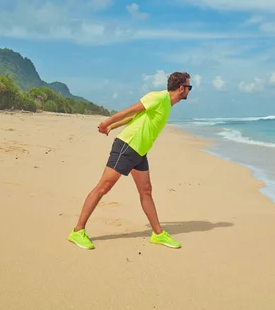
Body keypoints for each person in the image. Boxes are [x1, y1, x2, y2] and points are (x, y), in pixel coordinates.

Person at [68, 72, 192, 250]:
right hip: (127, 146)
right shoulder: (158, 97)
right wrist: (106, 122)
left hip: (139, 152)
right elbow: (131, 110)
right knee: (103, 186)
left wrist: (112, 126)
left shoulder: (167, 104)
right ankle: (77, 231)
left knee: (146, 190)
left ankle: (157, 234)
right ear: (181, 88)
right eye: (189, 87)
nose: (189, 90)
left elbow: (135, 118)